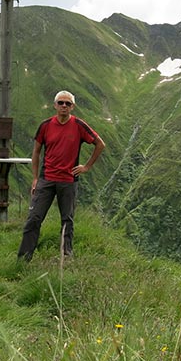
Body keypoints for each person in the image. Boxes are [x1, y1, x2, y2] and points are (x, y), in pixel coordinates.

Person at [17, 90, 105, 261]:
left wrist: (86, 167)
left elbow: (100, 144)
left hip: (68, 181)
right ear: (54, 105)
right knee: (34, 219)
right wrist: (35, 178)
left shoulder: (79, 125)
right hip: (46, 179)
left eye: (68, 103)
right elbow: (36, 152)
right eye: (61, 103)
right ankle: (23, 259)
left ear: (73, 107)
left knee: (67, 221)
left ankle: (66, 258)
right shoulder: (45, 125)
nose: (64, 106)